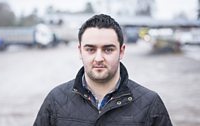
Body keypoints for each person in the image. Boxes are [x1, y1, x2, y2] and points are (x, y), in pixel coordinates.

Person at [33, 14, 172, 126]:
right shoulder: (56, 100)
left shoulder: (150, 104)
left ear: (121, 51)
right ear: (80, 51)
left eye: (108, 49)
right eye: (90, 49)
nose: (98, 58)